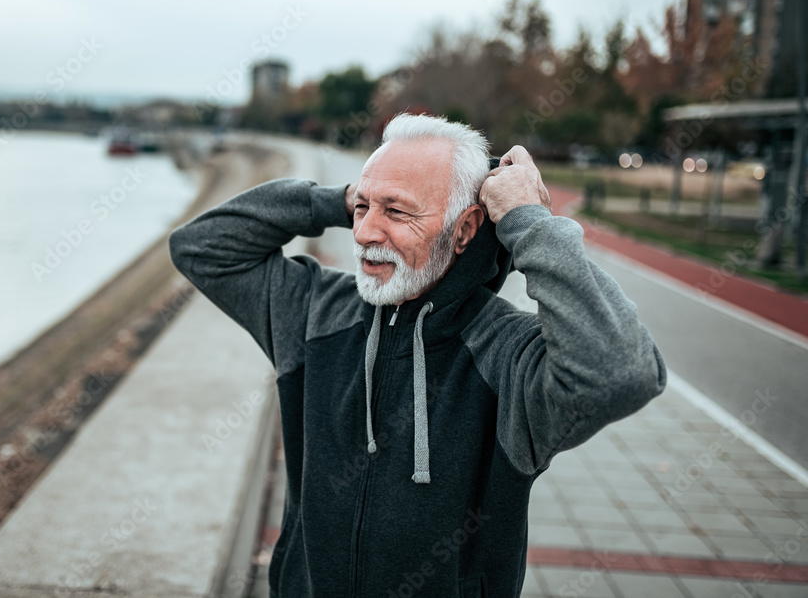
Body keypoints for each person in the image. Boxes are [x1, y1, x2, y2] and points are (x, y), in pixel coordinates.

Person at [169, 113, 666, 597]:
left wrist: (526, 221)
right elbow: (201, 247)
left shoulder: (507, 357)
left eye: (398, 211)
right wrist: (340, 202)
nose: (364, 234)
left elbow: (620, 373)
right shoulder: (316, 313)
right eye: (362, 209)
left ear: (466, 229)